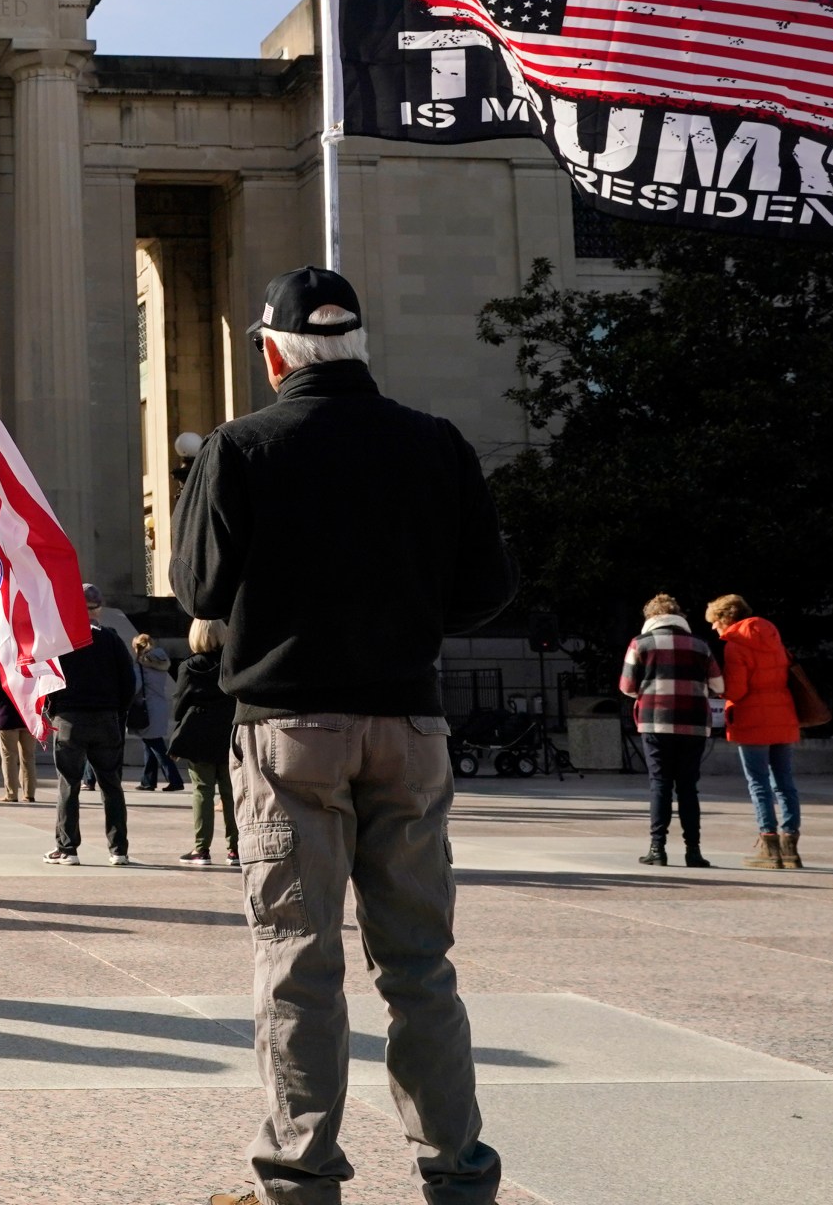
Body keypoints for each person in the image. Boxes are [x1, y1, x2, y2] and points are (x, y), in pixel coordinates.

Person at [174, 267, 518, 1205]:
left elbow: (199, 590)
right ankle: (458, 1172)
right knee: (419, 964)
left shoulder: (243, 446)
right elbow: (488, 590)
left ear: (276, 351)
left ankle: (300, 1174)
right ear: (358, 346)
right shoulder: (436, 444)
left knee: (299, 959)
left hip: (291, 730)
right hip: (408, 722)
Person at [617, 594, 722, 868]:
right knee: (688, 787)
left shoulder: (640, 643)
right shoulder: (700, 645)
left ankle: (657, 849)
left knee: (660, 784)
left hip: (655, 721)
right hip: (694, 723)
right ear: (679, 616)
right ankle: (694, 851)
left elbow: (626, 686)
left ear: (650, 618)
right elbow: (719, 686)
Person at [706, 594, 805, 870]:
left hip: (752, 719)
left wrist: (720, 689)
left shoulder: (735, 645)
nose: (714, 628)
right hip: (782, 715)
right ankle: (791, 847)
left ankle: (769, 847)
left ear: (726, 618)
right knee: (785, 782)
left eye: (714, 622)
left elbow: (737, 690)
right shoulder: (773, 637)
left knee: (759, 783)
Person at [42, 614, 137, 866]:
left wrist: (54, 711)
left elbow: (47, 681)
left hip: (69, 718)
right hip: (106, 717)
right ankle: (119, 850)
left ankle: (67, 848)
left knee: (68, 784)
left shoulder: (59, 642)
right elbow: (129, 680)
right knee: (111, 785)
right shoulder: (111, 639)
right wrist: (118, 711)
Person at [171, 618, 239, 867]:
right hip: (230, 732)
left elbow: (179, 704)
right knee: (231, 793)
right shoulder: (231, 663)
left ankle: (202, 849)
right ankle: (236, 849)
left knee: (202, 791)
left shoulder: (189, 666)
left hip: (199, 734)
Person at [133, 635, 185, 791]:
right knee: (150, 744)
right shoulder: (161, 661)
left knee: (157, 747)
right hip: (159, 706)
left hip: (147, 708)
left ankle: (175, 779)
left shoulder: (141, 665)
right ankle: (148, 780)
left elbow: (136, 687)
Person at [0, 674, 37, 803]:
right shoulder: (32, 673)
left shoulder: (4, 673)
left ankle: (11, 794)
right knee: (29, 757)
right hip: (29, 719)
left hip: (7, 718)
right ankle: (29, 793)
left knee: (9, 757)